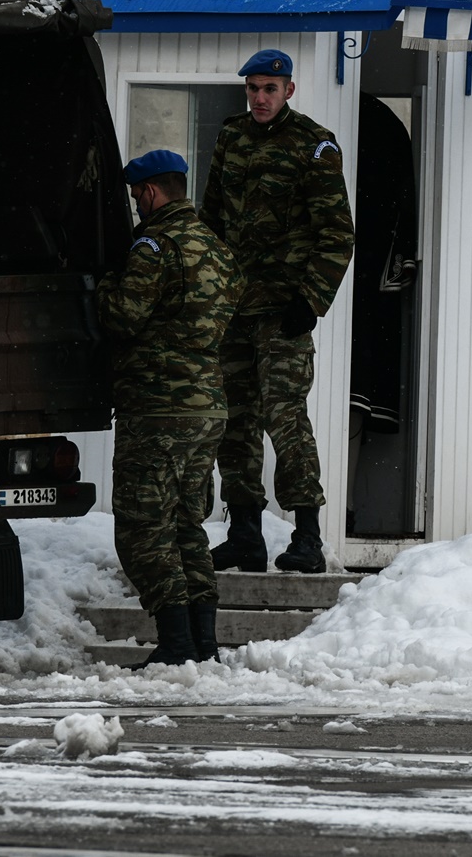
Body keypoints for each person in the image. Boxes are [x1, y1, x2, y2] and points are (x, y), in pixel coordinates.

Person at [200, 50, 355, 575]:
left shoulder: (314, 146)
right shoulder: (232, 138)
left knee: (284, 418)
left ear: (289, 90)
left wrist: (309, 301)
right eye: (253, 89)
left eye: (270, 88)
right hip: (233, 311)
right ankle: (244, 533)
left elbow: (337, 234)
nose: (260, 98)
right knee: (234, 423)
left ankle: (306, 536)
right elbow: (213, 219)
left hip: (283, 311)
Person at [96, 149, 238, 666]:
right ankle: (202, 640)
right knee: (185, 526)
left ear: (152, 192)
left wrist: (104, 284)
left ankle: (176, 642)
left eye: (137, 197)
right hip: (208, 406)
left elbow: (123, 316)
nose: (136, 207)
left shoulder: (154, 246)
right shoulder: (217, 249)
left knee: (142, 527)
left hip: (159, 407)